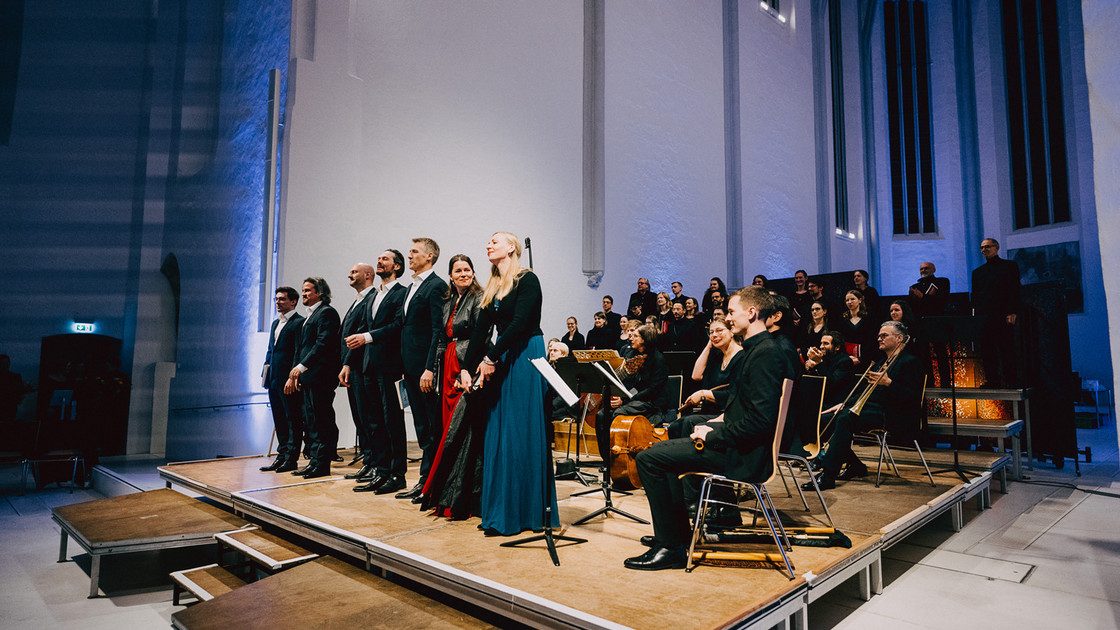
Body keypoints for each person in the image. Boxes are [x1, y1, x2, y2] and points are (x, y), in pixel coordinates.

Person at [624, 286, 798, 571]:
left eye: (731, 312)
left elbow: (760, 422)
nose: (728, 319)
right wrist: (715, 422)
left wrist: (713, 433)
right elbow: (743, 404)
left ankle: (671, 546)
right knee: (660, 452)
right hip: (739, 445)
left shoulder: (765, 353)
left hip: (745, 455)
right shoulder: (758, 349)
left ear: (751, 313)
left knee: (649, 458)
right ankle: (674, 538)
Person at [463, 232, 558, 536]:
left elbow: (520, 323)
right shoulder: (492, 285)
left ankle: (527, 513)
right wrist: (467, 369)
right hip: (503, 354)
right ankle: (501, 511)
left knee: (520, 431)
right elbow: (481, 330)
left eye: (495, 241)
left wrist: (490, 358)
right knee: (498, 432)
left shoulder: (527, 279)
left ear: (512, 248)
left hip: (525, 353)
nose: (488, 244)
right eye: (487, 241)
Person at [805, 321, 922, 490]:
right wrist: (843, 404)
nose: (879, 339)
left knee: (845, 418)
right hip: (874, 409)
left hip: (893, 413)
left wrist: (889, 383)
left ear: (899, 339)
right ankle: (855, 465)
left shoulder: (910, 362)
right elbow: (867, 393)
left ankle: (828, 475)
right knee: (825, 419)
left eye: (884, 336)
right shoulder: (882, 362)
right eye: (879, 336)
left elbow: (913, 397)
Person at [422, 254, 486, 517]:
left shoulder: (480, 297)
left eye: (467, 269)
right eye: (458, 270)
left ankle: (461, 497)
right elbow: (440, 336)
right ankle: (442, 493)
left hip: (466, 365)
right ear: (450, 275)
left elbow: (481, 336)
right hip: (447, 367)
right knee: (446, 429)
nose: (463, 274)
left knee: (462, 431)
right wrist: (432, 371)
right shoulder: (448, 300)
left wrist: (467, 369)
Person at [346, 249, 409, 494]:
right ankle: (381, 472)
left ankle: (397, 475)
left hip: (391, 366)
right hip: (369, 365)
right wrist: (349, 363)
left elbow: (396, 325)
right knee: (374, 422)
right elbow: (361, 329)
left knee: (392, 421)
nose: (379, 261)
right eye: (379, 258)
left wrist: (367, 337)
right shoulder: (374, 296)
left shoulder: (401, 293)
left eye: (385, 259)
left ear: (397, 266)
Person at [395, 238, 448, 500]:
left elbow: (438, 330)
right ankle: (424, 481)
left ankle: (430, 483)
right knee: (420, 425)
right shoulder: (410, 288)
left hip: (425, 370)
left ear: (429, 257)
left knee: (430, 427)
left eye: (414, 252)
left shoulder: (436, 286)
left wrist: (430, 368)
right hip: (410, 368)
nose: (410, 255)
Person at [286, 277, 342, 479]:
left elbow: (323, 344)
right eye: (303, 290)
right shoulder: (311, 315)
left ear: (319, 292)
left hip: (321, 375)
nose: (304, 294)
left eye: (308, 290)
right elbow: (302, 347)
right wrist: (296, 371)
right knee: (312, 422)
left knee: (322, 420)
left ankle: (323, 463)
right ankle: (315, 461)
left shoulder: (327, 313)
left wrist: (301, 367)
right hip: (309, 376)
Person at [595, 324, 671, 459]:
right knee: (601, 414)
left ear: (645, 340)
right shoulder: (632, 355)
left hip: (651, 402)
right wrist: (620, 396)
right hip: (633, 399)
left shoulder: (658, 360)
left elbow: (652, 390)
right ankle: (606, 459)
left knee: (618, 413)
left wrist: (625, 400)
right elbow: (628, 382)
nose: (631, 338)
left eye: (636, 336)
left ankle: (619, 456)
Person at [667, 315, 742, 439]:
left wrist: (703, 394)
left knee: (688, 423)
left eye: (719, 330)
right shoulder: (717, 356)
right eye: (711, 332)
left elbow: (734, 395)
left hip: (726, 414)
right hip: (710, 411)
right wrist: (709, 345)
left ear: (731, 332)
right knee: (675, 425)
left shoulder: (741, 357)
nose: (714, 335)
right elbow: (695, 375)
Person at [259, 287, 305, 472]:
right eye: (276, 299)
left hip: (288, 379)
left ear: (293, 301)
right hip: (274, 379)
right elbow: (271, 351)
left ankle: (291, 458)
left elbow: (298, 351)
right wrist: (265, 375)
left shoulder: (299, 323)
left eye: (282, 299)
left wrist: (293, 377)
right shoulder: (274, 323)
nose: (277, 302)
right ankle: (282, 454)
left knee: (292, 418)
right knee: (279, 418)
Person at [338, 263, 377, 467]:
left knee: (368, 416)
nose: (349, 275)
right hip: (352, 368)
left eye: (354, 272)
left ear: (368, 275)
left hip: (361, 366)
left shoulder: (371, 299)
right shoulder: (358, 300)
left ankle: (373, 462)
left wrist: (347, 363)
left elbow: (360, 333)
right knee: (359, 418)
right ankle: (368, 460)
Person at [971, 238, 1021, 387]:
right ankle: (993, 380)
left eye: (987, 247)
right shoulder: (978, 272)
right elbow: (975, 296)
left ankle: (1011, 380)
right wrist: (976, 317)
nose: (984, 250)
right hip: (984, 316)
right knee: (987, 351)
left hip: (1003, 314)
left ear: (997, 247)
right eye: (982, 248)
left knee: (1007, 348)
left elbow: (1014, 290)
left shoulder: (1009, 266)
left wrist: (1012, 312)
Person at [838, 289, 875, 367]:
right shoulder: (842, 319)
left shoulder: (868, 318)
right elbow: (840, 339)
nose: (850, 302)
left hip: (865, 356)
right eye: (847, 300)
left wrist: (862, 358)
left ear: (860, 300)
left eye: (852, 299)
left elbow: (871, 339)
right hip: (847, 357)